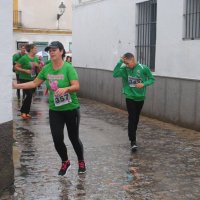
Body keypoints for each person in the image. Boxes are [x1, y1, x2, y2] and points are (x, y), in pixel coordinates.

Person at [13, 41, 86, 176]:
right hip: (55, 110)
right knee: (57, 139)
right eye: (50, 50)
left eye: (54, 50)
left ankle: (81, 161)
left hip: (71, 109)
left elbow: (76, 86)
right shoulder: (47, 68)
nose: (51, 52)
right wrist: (17, 86)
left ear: (61, 52)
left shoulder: (68, 68)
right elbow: (35, 83)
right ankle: (65, 162)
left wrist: (66, 89)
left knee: (73, 138)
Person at [113, 53, 155, 152]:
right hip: (129, 96)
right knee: (132, 117)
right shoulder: (124, 69)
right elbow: (115, 74)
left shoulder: (143, 68)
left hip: (140, 97)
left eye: (128, 63)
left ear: (133, 60)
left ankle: (133, 136)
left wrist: (143, 84)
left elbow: (152, 79)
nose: (127, 65)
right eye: (125, 63)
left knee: (136, 118)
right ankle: (133, 141)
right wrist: (120, 62)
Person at [14, 44, 40, 119]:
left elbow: (38, 70)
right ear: (31, 49)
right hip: (24, 79)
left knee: (30, 96)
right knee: (29, 95)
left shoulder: (35, 58)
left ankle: (26, 112)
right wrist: (25, 70)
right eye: (35, 48)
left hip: (33, 79)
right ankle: (23, 112)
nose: (36, 49)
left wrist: (37, 66)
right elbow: (15, 67)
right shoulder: (24, 58)